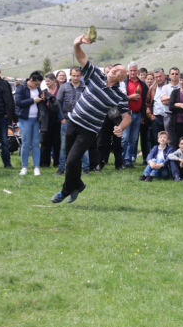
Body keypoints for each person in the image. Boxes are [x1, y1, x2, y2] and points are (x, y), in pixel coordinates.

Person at [51, 34, 131, 203]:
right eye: (115, 68)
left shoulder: (119, 96)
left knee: (72, 159)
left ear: (121, 78)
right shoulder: (94, 75)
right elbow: (82, 58)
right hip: (74, 122)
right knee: (71, 160)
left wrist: (120, 127)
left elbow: (127, 117)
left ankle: (66, 191)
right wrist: (76, 43)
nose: (115, 70)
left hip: (89, 130)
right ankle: (78, 185)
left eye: (119, 72)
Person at [56, 67, 91, 175]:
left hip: (82, 121)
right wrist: (61, 118)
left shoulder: (86, 87)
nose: (75, 78)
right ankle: (61, 168)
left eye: (77, 75)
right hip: (67, 120)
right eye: (73, 75)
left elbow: (90, 103)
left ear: (81, 76)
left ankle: (86, 168)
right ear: (70, 75)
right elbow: (57, 102)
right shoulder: (64, 87)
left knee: (83, 145)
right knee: (63, 146)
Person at [15, 71, 46, 176]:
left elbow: (40, 101)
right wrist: (33, 100)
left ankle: (36, 167)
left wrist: (42, 99)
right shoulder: (21, 87)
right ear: (31, 80)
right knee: (26, 144)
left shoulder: (37, 89)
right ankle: (24, 167)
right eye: (36, 84)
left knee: (36, 144)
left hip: (36, 119)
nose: (38, 86)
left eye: (39, 85)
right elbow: (18, 102)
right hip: (25, 119)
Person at [122, 61, 148, 168]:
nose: (132, 72)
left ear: (137, 71)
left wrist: (143, 115)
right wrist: (130, 97)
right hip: (126, 114)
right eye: (131, 70)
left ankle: (128, 160)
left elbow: (145, 100)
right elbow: (119, 97)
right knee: (124, 138)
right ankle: (122, 159)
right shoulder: (123, 82)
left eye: (134, 70)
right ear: (128, 71)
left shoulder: (141, 84)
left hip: (137, 114)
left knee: (133, 139)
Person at [40, 72, 62, 168]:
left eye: (48, 81)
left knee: (57, 142)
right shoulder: (43, 92)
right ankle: (45, 163)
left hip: (57, 120)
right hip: (46, 120)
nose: (47, 83)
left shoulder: (60, 91)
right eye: (46, 81)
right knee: (45, 142)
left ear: (54, 81)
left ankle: (57, 162)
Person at [145, 68, 167, 148]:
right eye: (156, 77)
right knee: (156, 140)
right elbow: (147, 104)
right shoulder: (152, 88)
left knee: (169, 139)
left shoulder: (169, 86)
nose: (158, 79)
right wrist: (150, 115)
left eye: (160, 76)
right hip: (156, 118)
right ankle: (157, 158)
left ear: (164, 76)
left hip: (168, 117)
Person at [160, 67, 180, 147]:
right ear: (169, 75)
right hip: (168, 115)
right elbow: (163, 101)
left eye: (176, 74)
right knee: (169, 138)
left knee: (179, 137)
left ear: (179, 75)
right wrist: (176, 99)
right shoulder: (165, 87)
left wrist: (169, 99)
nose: (174, 75)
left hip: (179, 114)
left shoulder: (181, 87)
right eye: (172, 74)